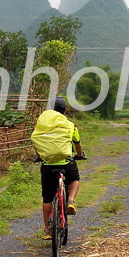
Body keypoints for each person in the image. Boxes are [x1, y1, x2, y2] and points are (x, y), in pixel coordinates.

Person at [30, 96, 85, 240]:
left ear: (50, 110)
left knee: (47, 198)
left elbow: (37, 143)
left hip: (48, 165)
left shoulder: (42, 126)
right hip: (66, 163)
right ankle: (70, 201)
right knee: (74, 179)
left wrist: (40, 157)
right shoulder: (69, 125)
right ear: (65, 110)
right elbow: (77, 144)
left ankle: (48, 230)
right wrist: (79, 155)